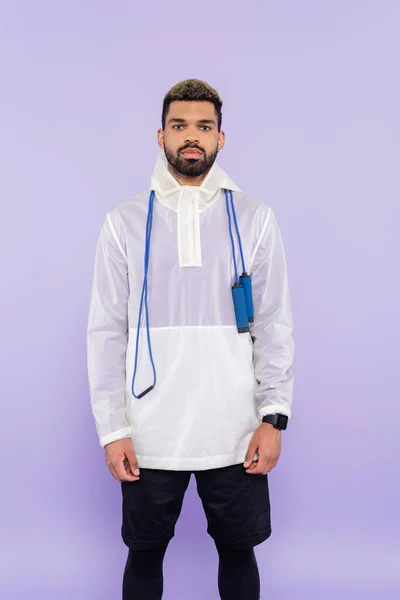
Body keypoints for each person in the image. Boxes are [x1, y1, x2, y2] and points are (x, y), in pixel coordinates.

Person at [86, 78, 295, 600]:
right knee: (144, 551)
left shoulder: (254, 218)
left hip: (235, 428)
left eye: (204, 126)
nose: (191, 136)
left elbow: (274, 324)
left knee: (238, 549)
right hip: (150, 429)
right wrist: (112, 429)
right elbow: (106, 331)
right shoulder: (124, 222)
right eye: (179, 126)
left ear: (222, 138)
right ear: (161, 136)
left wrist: (274, 417)